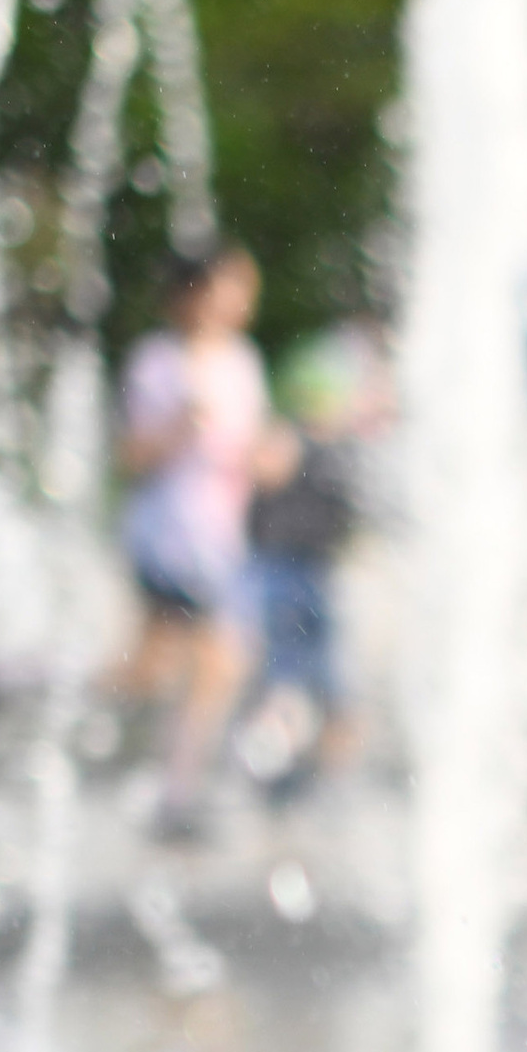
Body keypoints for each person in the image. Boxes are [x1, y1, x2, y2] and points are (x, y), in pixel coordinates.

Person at [114, 245, 294, 837]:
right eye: (233, 285)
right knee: (201, 664)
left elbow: (253, 456)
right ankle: (169, 786)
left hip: (221, 541)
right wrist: (177, 429)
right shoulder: (156, 362)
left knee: (200, 666)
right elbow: (131, 456)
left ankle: (175, 789)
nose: (244, 298)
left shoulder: (242, 363)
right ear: (195, 294)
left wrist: (272, 456)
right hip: (169, 539)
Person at [233, 322, 386, 802]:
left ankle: (312, 782)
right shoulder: (291, 438)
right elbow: (259, 480)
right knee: (289, 683)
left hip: (321, 577)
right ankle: (274, 772)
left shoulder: (343, 447)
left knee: (334, 694)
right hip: (286, 575)